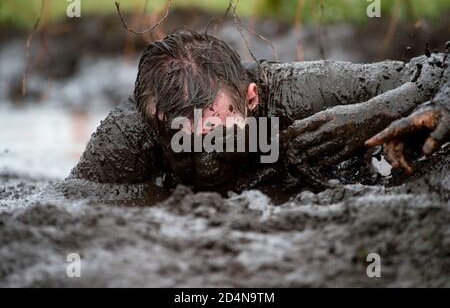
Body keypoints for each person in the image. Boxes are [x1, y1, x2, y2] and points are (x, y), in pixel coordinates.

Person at [68, 29, 449, 193]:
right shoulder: (132, 132)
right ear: (155, 123)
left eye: (219, 135)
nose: (206, 159)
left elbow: (440, 67)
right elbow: (68, 207)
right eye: (182, 141)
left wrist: (374, 114)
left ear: (251, 100)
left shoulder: (294, 94)